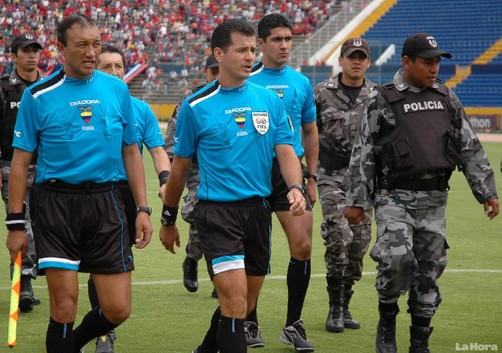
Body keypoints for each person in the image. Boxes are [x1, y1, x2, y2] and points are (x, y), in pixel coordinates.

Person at [4, 15, 153, 353]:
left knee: (118, 308)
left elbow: (131, 150)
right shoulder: (38, 95)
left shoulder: (116, 88)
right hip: (55, 204)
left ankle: (71, 345)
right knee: (64, 304)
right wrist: (15, 223)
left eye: (96, 44)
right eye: (82, 45)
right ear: (61, 49)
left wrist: (142, 208)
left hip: (108, 202)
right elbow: (20, 161)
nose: (91, 52)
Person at [344, 33, 499, 353]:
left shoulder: (445, 96)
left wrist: (486, 191)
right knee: (396, 260)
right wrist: (357, 201)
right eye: (427, 62)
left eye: (437, 61)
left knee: (430, 269)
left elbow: (468, 145)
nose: (434, 67)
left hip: (434, 199)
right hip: (394, 196)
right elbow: (364, 151)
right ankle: (387, 319)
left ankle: (420, 339)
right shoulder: (383, 97)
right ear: (406, 62)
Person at [158, 19, 306, 353]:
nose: (249, 56)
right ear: (219, 53)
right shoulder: (196, 107)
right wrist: (168, 219)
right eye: (242, 50)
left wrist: (295, 186)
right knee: (236, 302)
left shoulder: (269, 100)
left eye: (252, 49)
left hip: (258, 213)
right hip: (218, 214)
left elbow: (285, 150)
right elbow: (180, 169)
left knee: (237, 304)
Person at [85, 44, 170, 353]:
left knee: (111, 263)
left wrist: (165, 181)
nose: (114, 72)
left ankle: (103, 322)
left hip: (128, 194)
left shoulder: (140, 109)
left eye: (118, 66)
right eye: (106, 67)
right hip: (95, 193)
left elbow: (157, 150)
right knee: (101, 263)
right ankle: (104, 332)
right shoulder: (90, 106)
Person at [247, 13, 318, 352]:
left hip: (291, 173)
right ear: (261, 44)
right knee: (253, 250)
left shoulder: (301, 83)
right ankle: (249, 321)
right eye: (277, 39)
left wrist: (312, 176)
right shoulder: (248, 80)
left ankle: (292, 324)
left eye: (289, 38)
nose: (285, 45)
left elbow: (309, 129)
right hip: (255, 171)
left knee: (302, 246)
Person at [314, 37, 375, 333]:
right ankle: (334, 307)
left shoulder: (378, 95)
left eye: (362, 57)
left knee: (360, 244)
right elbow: (306, 132)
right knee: (339, 235)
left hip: (363, 183)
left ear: (368, 62)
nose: (357, 61)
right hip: (330, 176)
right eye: (352, 56)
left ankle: (346, 303)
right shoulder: (322, 93)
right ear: (341, 60)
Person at [163, 54, 219, 296]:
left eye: (220, 70)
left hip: (226, 167)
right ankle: (194, 259)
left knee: (224, 219)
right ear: (205, 72)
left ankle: (212, 270)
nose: (217, 75)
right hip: (196, 166)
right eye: (213, 71)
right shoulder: (192, 99)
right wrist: (169, 175)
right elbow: (173, 137)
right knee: (200, 214)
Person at [0, 33, 43, 313]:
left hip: (47, 168)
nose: (32, 55)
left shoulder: (50, 87)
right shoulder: (4, 89)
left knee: (41, 225)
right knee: (21, 223)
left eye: (35, 50)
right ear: (14, 57)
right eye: (25, 51)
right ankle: (23, 280)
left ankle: (31, 273)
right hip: (10, 167)